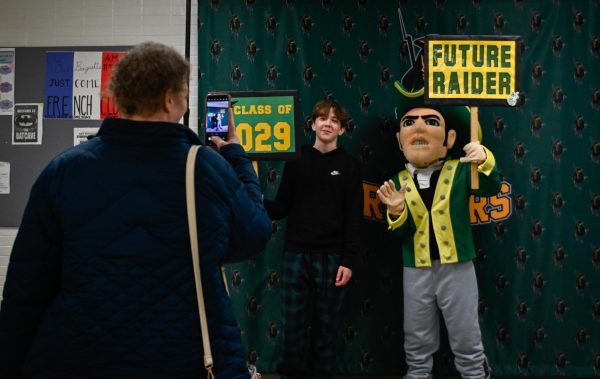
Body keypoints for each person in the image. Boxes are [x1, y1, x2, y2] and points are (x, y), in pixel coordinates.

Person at [0, 41, 271, 379]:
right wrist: (235, 154)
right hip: (184, 356)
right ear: (170, 100)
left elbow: (26, 290)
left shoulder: (65, 170)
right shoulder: (204, 168)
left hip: (79, 357)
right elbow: (255, 234)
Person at [376, 83, 501, 379]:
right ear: (399, 140)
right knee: (416, 332)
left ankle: (475, 374)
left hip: (456, 266)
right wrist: (395, 212)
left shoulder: (461, 170)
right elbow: (399, 233)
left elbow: (491, 188)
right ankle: (418, 373)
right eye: (410, 122)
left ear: (450, 139)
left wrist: (483, 159)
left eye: (431, 121)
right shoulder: (397, 180)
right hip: (415, 268)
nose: (419, 126)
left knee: (465, 330)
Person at [265, 99, 363, 379]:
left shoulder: (350, 166)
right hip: (296, 255)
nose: (328, 123)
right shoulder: (295, 160)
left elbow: (354, 218)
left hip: (333, 259)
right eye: (322, 118)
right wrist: (256, 201)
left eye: (334, 120)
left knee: (327, 328)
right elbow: (282, 206)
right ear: (312, 124)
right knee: (293, 326)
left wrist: (349, 261)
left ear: (342, 130)